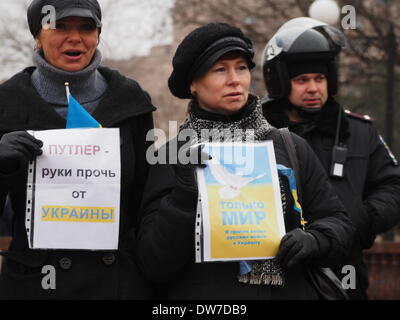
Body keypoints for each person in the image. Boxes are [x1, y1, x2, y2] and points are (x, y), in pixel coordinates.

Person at [136, 22, 354, 300]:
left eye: (241, 67)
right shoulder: (172, 156)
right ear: (192, 84)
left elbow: (339, 223)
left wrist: (314, 239)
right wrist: (183, 199)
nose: (235, 80)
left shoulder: (289, 146)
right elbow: (154, 264)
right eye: (219, 70)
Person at [0, 0, 156, 299]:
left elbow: (144, 199)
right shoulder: (6, 104)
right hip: (34, 284)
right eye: (59, 26)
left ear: (98, 34)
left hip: (117, 282)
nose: (75, 38)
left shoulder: (132, 101)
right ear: (37, 35)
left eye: (86, 27)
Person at [261, 17, 400, 300]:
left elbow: (393, 187)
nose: (313, 88)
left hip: (344, 277)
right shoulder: (258, 135)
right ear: (280, 82)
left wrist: (361, 218)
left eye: (320, 78)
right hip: (277, 275)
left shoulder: (360, 131)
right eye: (302, 80)